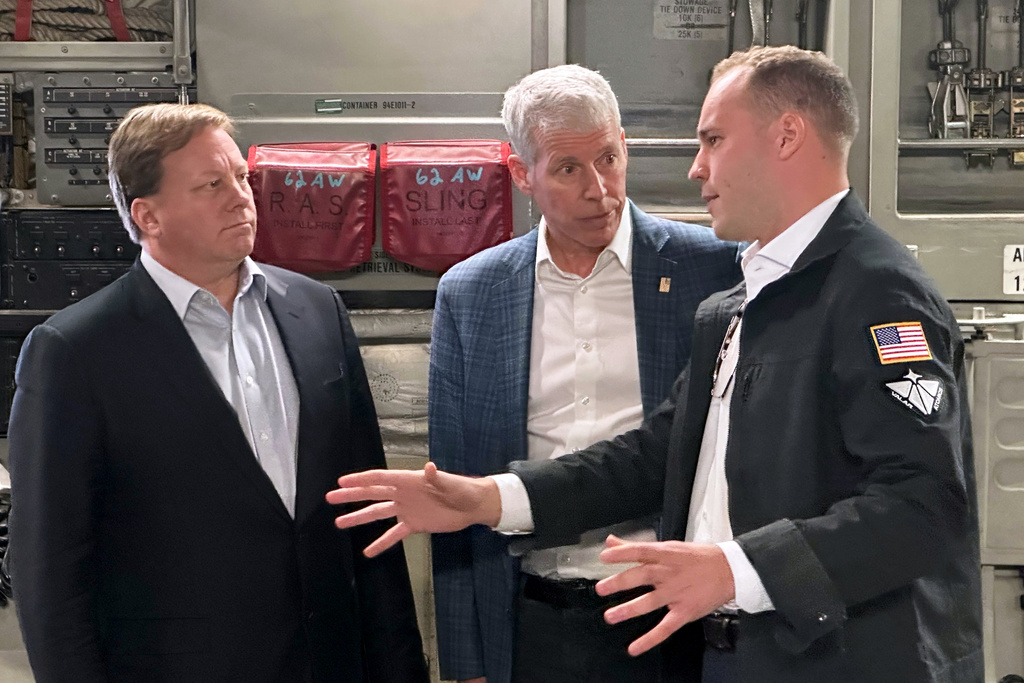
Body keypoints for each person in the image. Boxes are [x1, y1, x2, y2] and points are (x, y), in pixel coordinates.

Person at [328, 46, 983, 683]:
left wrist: (733, 570)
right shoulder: (737, 304)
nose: (696, 169)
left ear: (787, 136)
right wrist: (490, 497)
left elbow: (923, 506)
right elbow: (652, 457)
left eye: (714, 140)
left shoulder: (875, 289)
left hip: (838, 660)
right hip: (741, 655)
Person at [7, 103, 428, 682]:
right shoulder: (76, 352)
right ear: (147, 216)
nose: (240, 196)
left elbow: (369, 512)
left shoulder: (316, 311)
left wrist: (398, 667)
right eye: (211, 185)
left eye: (240, 177)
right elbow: (49, 569)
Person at [430, 64, 742, 683]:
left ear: (624, 144)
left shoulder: (714, 270)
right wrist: (468, 662)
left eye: (607, 158)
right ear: (524, 174)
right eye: (569, 169)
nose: (599, 189)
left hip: (675, 618)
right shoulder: (473, 295)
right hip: (539, 623)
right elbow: (454, 484)